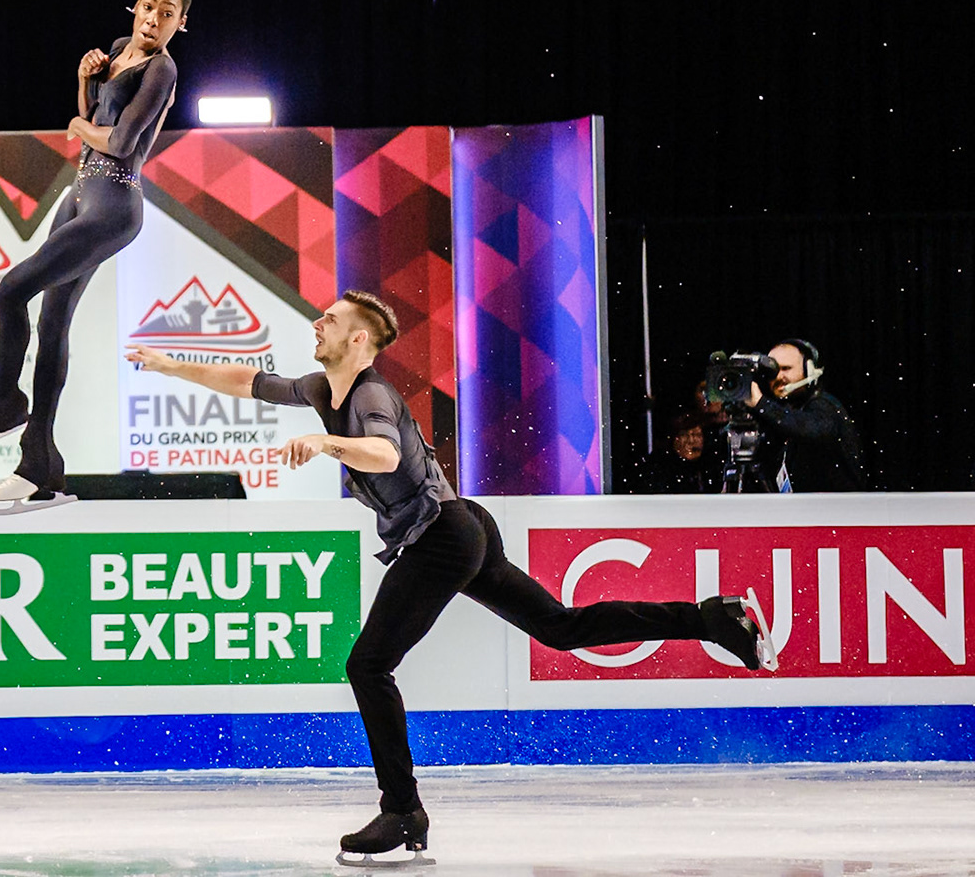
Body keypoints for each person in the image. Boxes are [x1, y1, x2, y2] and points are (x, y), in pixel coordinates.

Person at [126, 289, 779, 866]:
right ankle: (711, 618)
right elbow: (246, 381)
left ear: (359, 339)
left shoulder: (372, 394)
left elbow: (381, 452)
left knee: (368, 665)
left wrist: (327, 445)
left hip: (443, 537)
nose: (316, 322)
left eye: (330, 318)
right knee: (559, 628)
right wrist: (169, 366)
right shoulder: (321, 389)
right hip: (462, 526)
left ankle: (402, 810)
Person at [0, 0, 185, 514]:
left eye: (167, 13)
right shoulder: (119, 48)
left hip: (113, 206)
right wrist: (85, 82)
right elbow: (92, 117)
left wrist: (78, 125)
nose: (153, 19)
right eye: (148, 6)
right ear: (135, 5)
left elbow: (122, 142)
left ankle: (3, 404)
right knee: (52, 320)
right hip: (80, 192)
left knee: (11, 291)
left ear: (180, 22)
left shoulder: (162, 70)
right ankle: (40, 465)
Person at [737, 338, 866, 492]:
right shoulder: (784, 415)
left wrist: (760, 404)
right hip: (808, 512)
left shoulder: (825, 405)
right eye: (773, 370)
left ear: (809, 369)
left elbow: (809, 428)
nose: (778, 377)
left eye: (786, 368)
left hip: (835, 513)